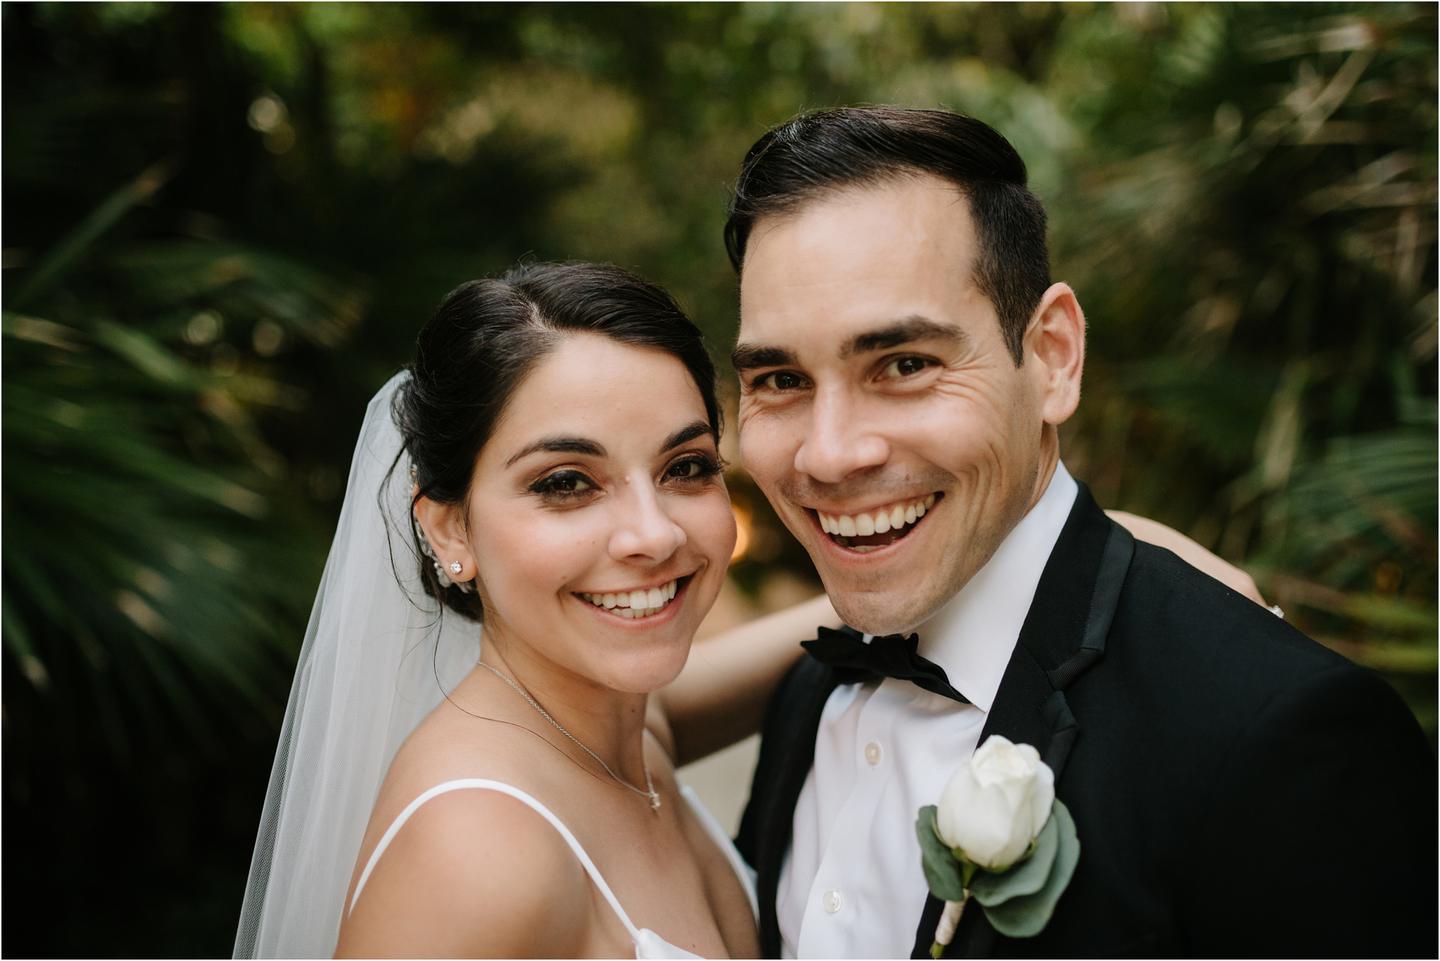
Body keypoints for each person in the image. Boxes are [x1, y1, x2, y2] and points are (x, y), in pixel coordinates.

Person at [233, 258, 1267, 959]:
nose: (652, 534)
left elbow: (823, 639)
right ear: (449, 528)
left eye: (684, 467)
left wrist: (1075, 559)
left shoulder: (622, 732)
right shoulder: (478, 851)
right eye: (566, 483)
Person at [726, 106, 1436, 958]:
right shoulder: (809, 692)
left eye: (906, 365)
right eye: (779, 377)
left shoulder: (1273, 732)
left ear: (1054, 355)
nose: (830, 453)